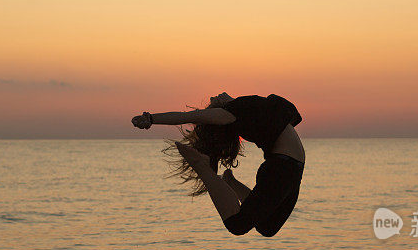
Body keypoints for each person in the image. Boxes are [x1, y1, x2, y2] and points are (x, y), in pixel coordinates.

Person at [131, 92, 305, 237]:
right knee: (238, 225)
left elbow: (265, 115)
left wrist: (229, 100)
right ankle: (201, 166)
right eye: (212, 101)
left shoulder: (249, 106)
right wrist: (151, 119)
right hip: (283, 166)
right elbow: (187, 116)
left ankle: (230, 182)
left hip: (292, 166)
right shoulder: (228, 113)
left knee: (267, 227)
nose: (213, 96)